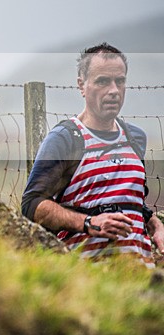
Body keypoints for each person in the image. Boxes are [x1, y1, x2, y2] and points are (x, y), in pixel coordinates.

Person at [22, 43, 164, 267]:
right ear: (82, 85)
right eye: (103, 81)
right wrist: (89, 222)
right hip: (88, 283)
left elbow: (129, 200)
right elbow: (32, 206)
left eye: (120, 81)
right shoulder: (66, 139)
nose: (114, 91)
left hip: (141, 281)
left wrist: (156, 225)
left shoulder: (135, 138)